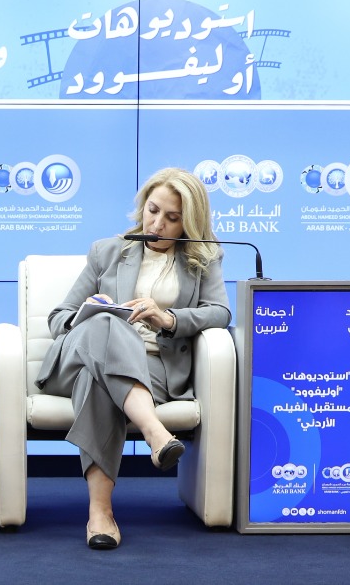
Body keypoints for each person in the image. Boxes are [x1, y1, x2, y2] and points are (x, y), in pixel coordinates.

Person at [35, 167, 232, 550]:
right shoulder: (108, 251)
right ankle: (156, 433)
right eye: (153, 210)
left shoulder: (203, 258)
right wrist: (90, 313)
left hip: (152, 367)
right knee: (106, 322)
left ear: (189, 223)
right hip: (76, 359)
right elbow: (59, 317)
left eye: (172, 218)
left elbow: (219, 312)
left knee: (99, 383)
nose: (157, 224)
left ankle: (100, 514)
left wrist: (168, 318)